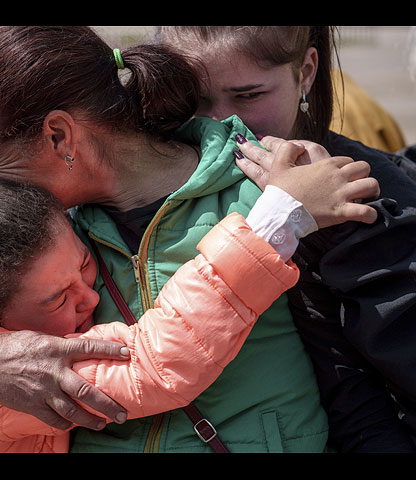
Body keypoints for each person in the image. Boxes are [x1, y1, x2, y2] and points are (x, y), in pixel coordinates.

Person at [0, 26, 380, 453]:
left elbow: (361, 362)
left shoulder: (272, 190)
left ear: (59, 136)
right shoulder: (38, 238)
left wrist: (282, 210)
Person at [0, 152, 329, 453]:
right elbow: (153, 365)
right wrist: (271, 225)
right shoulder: (2, 372)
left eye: (85, 264)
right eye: (59, 296)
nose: (88, 296)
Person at [158, 25, 416, 452]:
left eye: (248, 96)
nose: (223, 122)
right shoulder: (138, 195)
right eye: (195, 101)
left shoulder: (382, 196)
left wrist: (348, 238)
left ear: (308, 72)